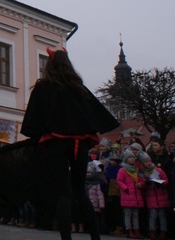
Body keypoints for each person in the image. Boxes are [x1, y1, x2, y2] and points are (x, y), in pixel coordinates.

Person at [20, 48, 120, 240]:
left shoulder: (44, 87)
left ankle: (66, 238)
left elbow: (35, 118)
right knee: (80, 192)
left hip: (56, 144)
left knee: (63, 193)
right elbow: (96, 113)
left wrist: (34, 137)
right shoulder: (78, 88)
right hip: (79, 145)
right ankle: (95, 238)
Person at [140, 152, 169, 240]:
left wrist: (161, 183)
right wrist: (145, 184)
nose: (148, 163)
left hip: (161, 196)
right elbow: (142, 185)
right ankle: (152, 232)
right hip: (151, 197)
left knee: (162, 216)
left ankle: (163, 232)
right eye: (146, 162)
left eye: (149, 161)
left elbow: (166, 180)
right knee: (152, 216)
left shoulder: (158, 170)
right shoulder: (143, 173)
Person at [117, 149, 146, 239]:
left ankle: (136, 230)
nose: (132, 159)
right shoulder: (123, 170)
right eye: (130, 157)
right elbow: (119, 181)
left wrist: (140, 184)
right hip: (128, 194)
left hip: (136, 195)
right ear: (126, 159)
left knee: (135, 214)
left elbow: (142, 180)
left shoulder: (137, 170)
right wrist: (126, 189)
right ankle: (129, 230)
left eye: (133, 157)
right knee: (128, 214)